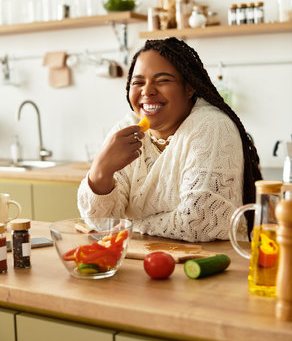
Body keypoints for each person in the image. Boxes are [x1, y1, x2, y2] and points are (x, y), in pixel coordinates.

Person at [78, 37, 262, 242]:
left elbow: (199, 222)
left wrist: (133, 224)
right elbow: (101, 222)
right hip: (146, 261)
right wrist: (101, 171)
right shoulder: (127, 128)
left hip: (214, 263)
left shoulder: (212, 126)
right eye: (138, 82)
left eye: (163, 80)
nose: (147, 91)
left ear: (189, 88)